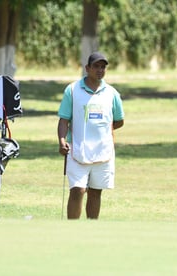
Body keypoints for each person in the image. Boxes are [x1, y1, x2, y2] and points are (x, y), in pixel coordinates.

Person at [57, 52, 124, 219]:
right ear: (87, 68)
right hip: (78, 149)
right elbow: (64, 119)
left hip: (103, 151)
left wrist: (103, 130)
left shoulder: (112, 93)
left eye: (103, 67)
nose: (100, 70)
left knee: (95, 192)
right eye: (96, 66)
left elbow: (119, 120)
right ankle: (72, 230)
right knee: (78, 190)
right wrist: (62, 140)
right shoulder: (72, 90)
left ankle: (91, 229)